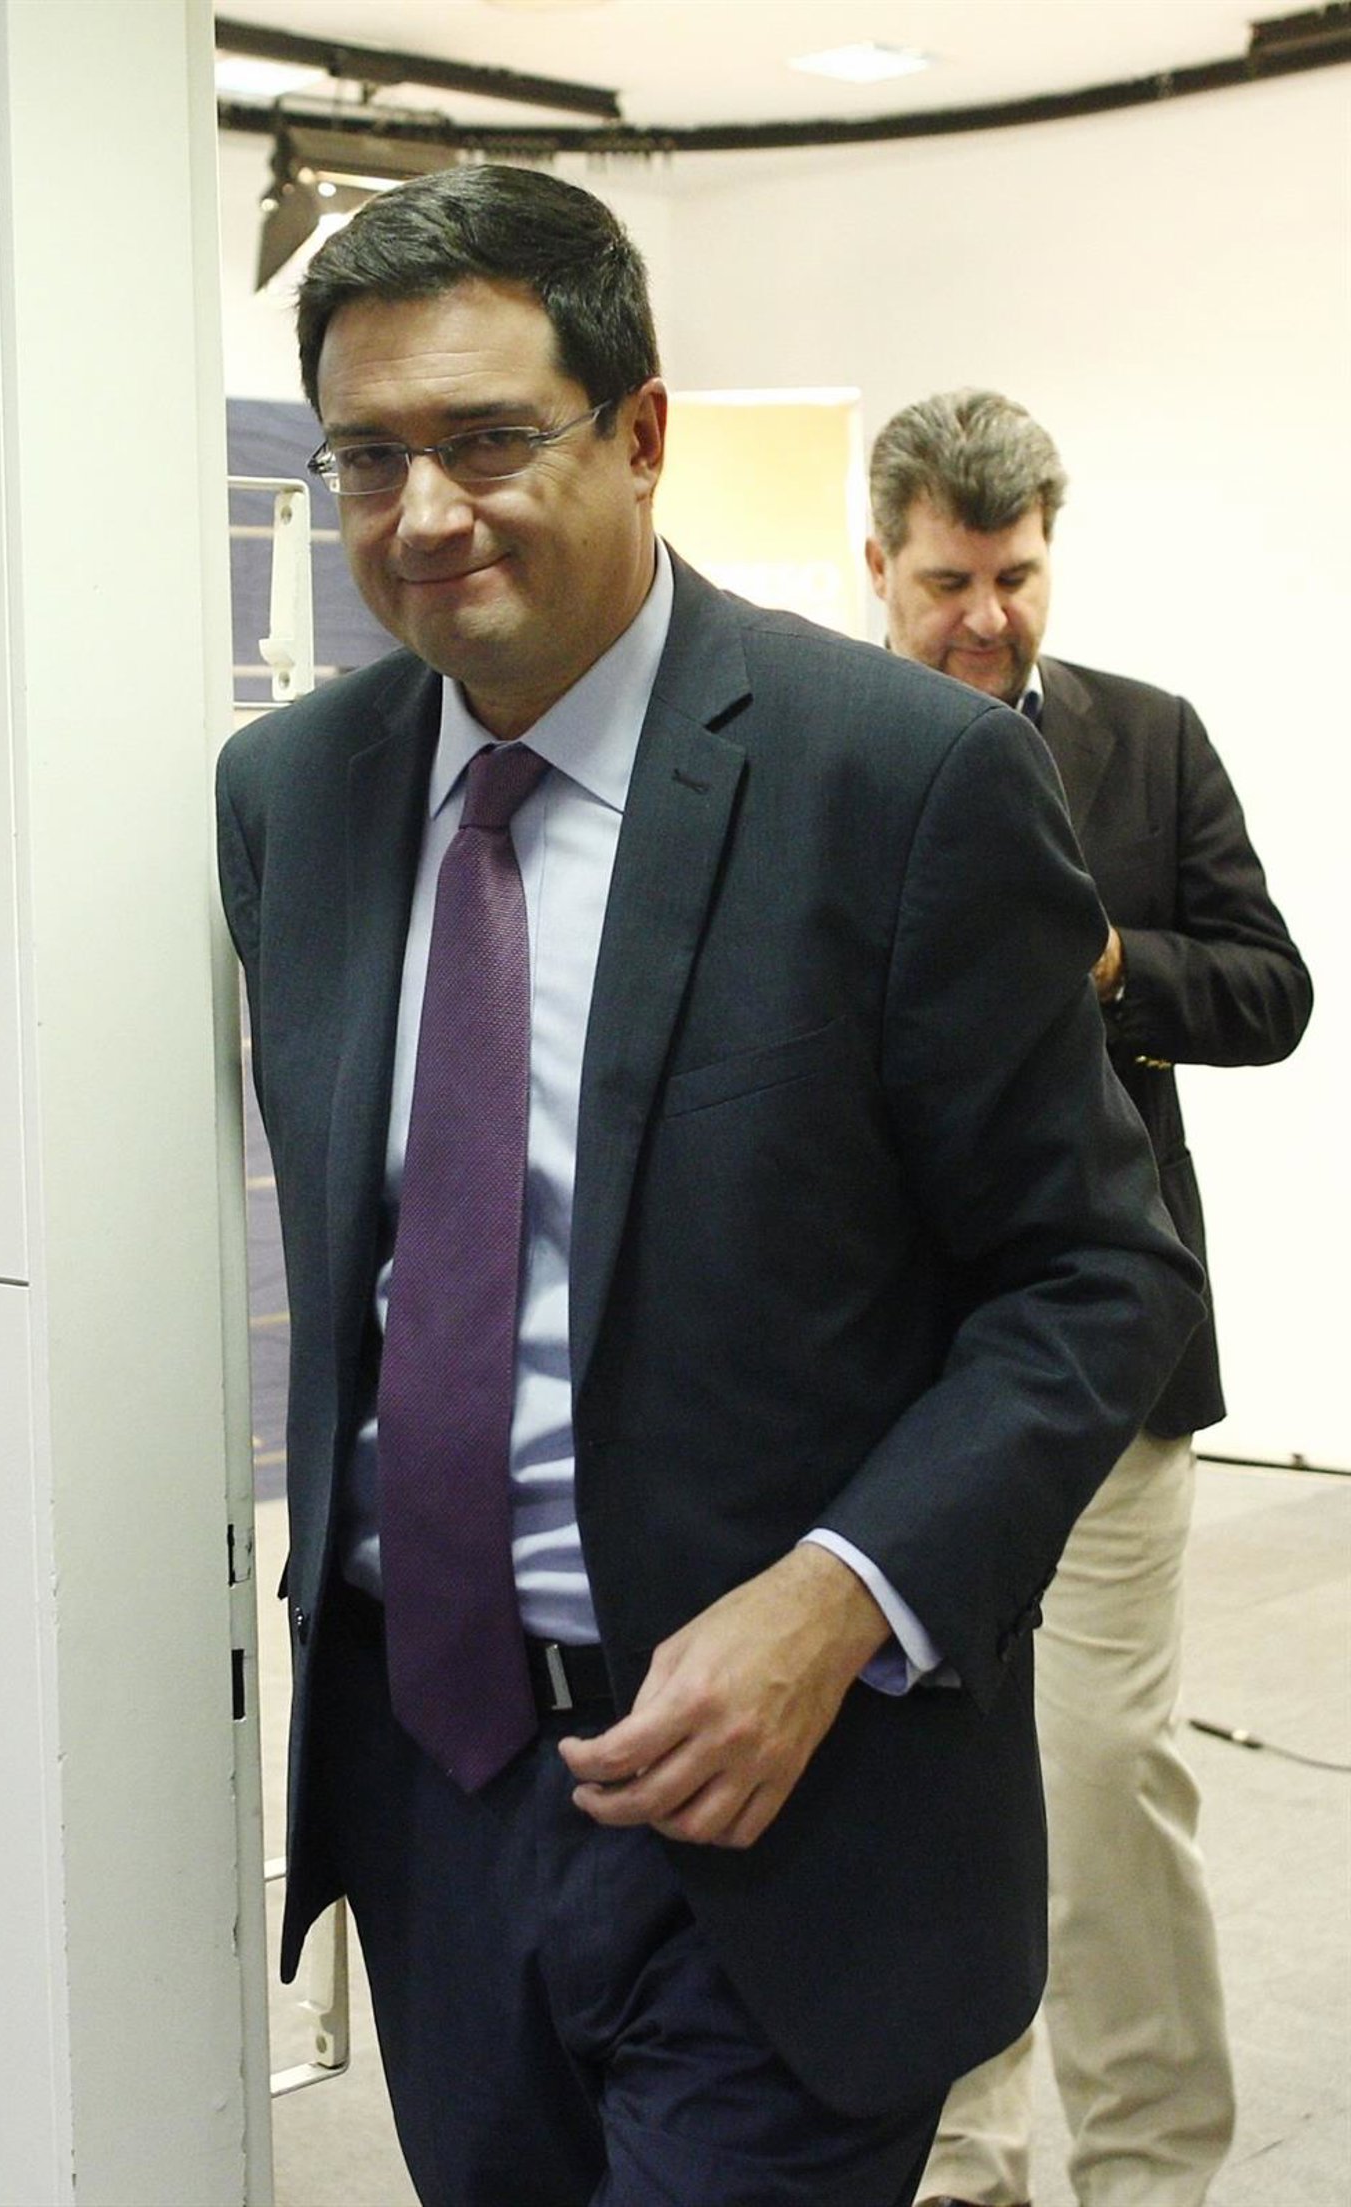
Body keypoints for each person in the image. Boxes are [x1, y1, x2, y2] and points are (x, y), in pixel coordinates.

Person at [217, 167, 1205, 2207]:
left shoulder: (900, 781)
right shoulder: (293, 798)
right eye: (369, 456)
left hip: (785, 1817)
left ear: (642, 431)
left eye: (490, 439)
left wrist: (839, 1600)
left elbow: (1092, 1279)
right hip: (436, 1798)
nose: (425, 514)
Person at [865, 388, 1312, 2207]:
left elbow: (1271, 991)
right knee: (926, 1790)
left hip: (1117, 1361)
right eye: (949, 582)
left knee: (1109, 1774)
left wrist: (1115, 964)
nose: (987, 616)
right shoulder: (818, 749)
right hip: (897, 1379)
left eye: (1018, 575)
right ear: (879, 565)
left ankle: (1148, 2172)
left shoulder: (1150, 740)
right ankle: (961, 2164)